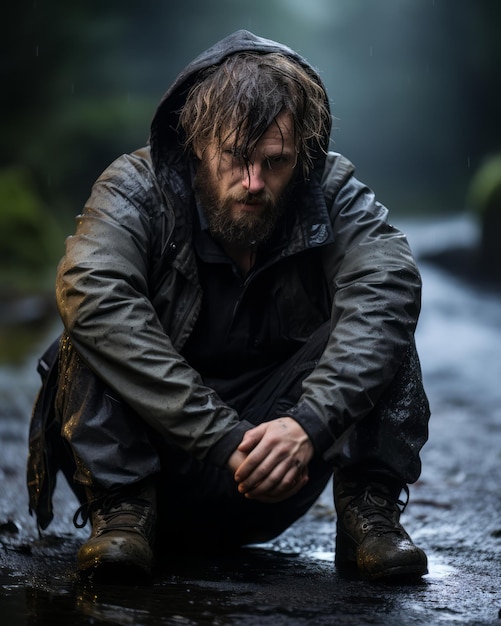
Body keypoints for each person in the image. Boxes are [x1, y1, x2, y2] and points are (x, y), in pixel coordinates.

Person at [27, 29, 430, 582]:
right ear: (197, 140)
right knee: (89, 323)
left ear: (301, 154)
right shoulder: (135, 187)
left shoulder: (330, 189)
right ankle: (121, 510)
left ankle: (371, 515)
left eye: (275, 162)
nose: (254, 182)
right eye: (237, 157)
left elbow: (388, 281)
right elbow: (92, 288)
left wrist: (308, 425)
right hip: (156, 472)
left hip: (282, 464)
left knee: (384, 317)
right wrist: (222, 438)